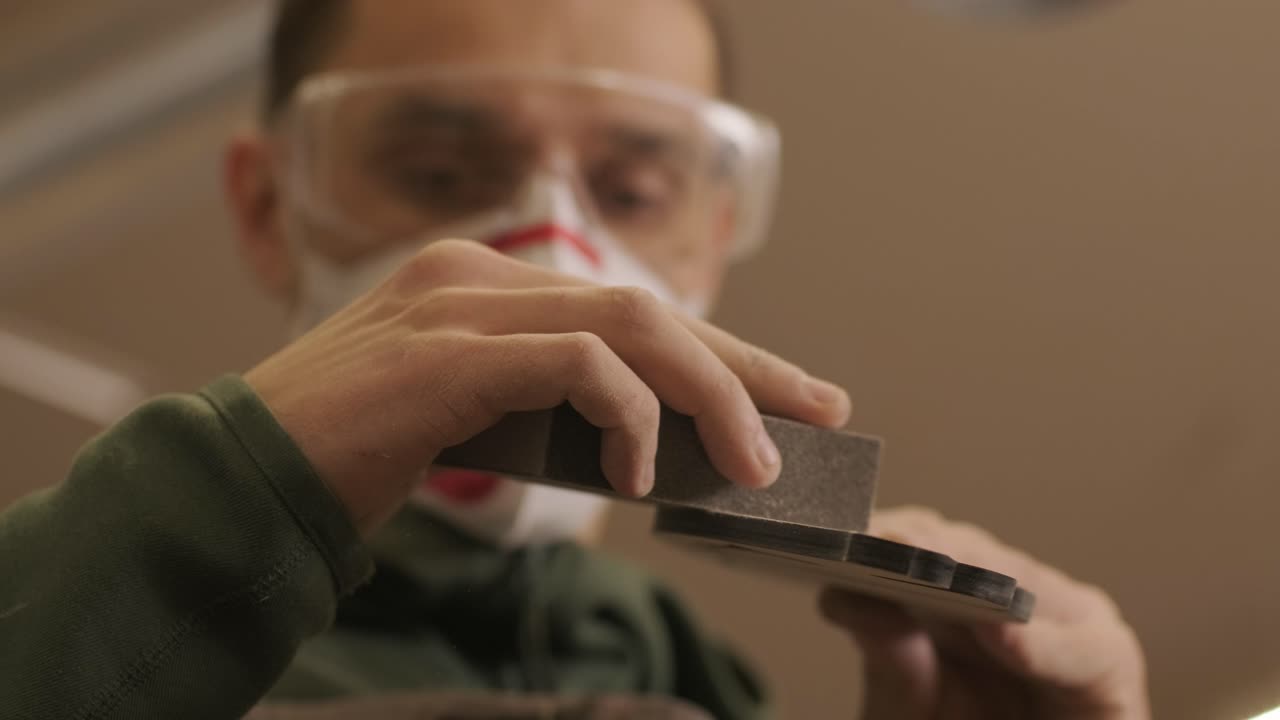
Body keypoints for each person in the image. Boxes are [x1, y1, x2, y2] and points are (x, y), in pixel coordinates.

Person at [0, 1, 1149, 718]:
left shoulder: (694, 684)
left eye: (634, 191)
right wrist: (219, 502)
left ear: (707, 237)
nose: (545, 246)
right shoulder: (72, 605)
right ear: (266, 205)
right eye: (440, 177)